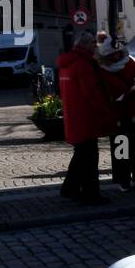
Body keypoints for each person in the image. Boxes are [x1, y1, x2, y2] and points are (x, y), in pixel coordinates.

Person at [56, 31, 114, 205]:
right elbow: (91, 92)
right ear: (84, 45)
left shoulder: (67, 64)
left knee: (80, 156)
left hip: (73, 116)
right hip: (86, 118)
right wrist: (105, 112)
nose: (94, 46)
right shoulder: (83, 64)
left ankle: (69, 188)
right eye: (92, 44)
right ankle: (91, 194)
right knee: (89, 158)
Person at [95, 31, 135, 191]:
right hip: (116, 113)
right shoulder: (102, 70)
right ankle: (123, 179)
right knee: (121, 148)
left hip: (132, 111)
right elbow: (100, 92)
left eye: (117, 53)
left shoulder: (128, 62)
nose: (116, 57)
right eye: (112, 55)